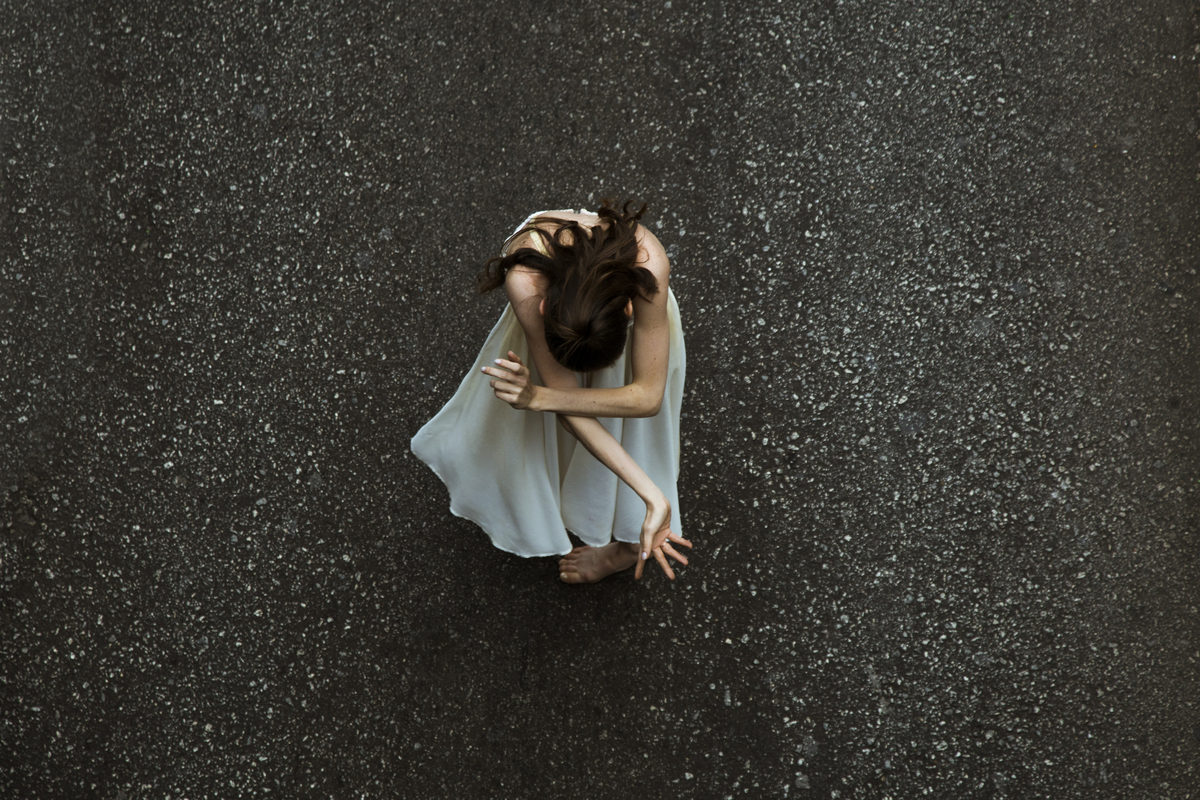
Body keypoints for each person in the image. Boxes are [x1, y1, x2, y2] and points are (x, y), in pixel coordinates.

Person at [411, 199, 690, 583]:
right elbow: (567, 395)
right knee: (578, 437)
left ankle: (625, 549)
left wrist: (540, 398)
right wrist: (651, 493)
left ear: (629, 309)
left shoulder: (647, 262)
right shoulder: (526, 280)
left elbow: (646, 397)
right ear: (544, 309)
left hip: (602, 332)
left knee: (640, 439)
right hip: (569, 331)